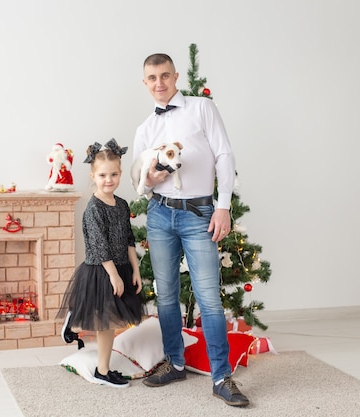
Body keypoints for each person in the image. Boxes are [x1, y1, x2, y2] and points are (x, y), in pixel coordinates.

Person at [132, 53, 249, 407]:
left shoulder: (201, 108)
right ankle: (176, 362)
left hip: (200, 212)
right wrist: (148, 179)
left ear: (176, 76)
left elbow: (224, 155)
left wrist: (224, 205)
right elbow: (139, 175)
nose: (159, 83)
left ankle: (221, 377)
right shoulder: (145, 129)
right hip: (160, 214)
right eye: (152, 78)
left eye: (165, 75)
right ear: (145, 82)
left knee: (209, 297)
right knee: (166, 295)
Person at [58, 138, 145, 388]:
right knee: (105, 321)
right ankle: (102, 370)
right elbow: (99, 245)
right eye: (103, 175)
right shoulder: (94, 208)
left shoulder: (121, 205)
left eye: (114, 174)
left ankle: (75, 325)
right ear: (93, 176)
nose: (109, 180)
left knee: (110, 320)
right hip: (102, 270)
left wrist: (135, 270)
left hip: (122, 267)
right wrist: (114, 276)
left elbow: (129, 239)